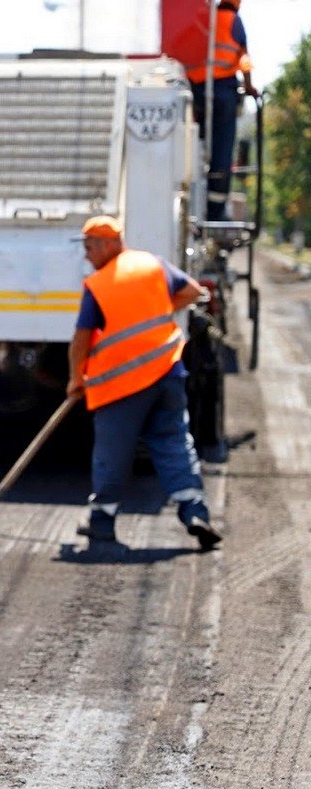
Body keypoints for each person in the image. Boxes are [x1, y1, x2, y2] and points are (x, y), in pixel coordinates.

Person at [66, 215, 222, 551]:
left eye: (90, 247)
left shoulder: (99, 285)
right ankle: (194, 511)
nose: (86, 255)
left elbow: (81, 340)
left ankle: (102, 521)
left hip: (122, 384)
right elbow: (192, 292)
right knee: (174, 442)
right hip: (168, 374)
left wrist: (76, 379)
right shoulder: (153, 265)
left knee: (112, 452)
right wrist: (160, 312)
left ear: (110, 244)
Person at [185, 0, 260, 222]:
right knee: (222, 151)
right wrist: (249, 86)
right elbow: (244, 59)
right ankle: (215, 211)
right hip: (223, 92)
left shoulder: (203, 19)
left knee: (193, 145)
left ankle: (191, 196)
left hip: (196, 90)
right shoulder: (233, 21)